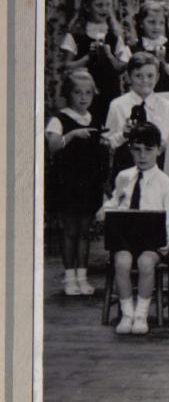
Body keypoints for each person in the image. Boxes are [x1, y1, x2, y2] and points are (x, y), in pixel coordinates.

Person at [98, 122, 169, 335]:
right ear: (130, 150)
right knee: (122, 261)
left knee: (146, 263)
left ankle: (141, 314)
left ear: (159, 150)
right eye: (137, 149)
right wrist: (104, 210)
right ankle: (127, 313)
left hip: (152, 241)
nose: (142, 155)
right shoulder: (124, 177)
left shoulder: (165, 183)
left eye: (148, 150)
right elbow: (115, 203)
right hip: (125, 237)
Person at [45, 70, 107, 296]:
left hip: (88, 184)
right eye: (77, 92)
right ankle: (69, 277)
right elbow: (52, 146)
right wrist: (72, 135)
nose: (83, 98)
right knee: (70, 230)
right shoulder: (59, 119)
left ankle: (82, 277)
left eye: (88, 93)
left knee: (84, 231)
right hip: (67, 184)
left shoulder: (94, 119)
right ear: (68, 94)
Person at [59, 0, 131, 127]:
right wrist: (87, 58)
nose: (105, 9)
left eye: (108, 5)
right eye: (99, 5)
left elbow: (121, 68)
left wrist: (109, 55)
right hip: (83, 94)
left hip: (110, 92)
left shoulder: (114, 35)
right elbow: (65, 66)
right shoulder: (76, 35)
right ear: (87, 7)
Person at [104, 52, 169, 175]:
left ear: (157, 77)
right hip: (125, 168)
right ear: (128, 77)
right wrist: (124, 135)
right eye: (138, 76)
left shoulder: (165, 106)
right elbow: (108, 144)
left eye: (150, 76)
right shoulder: (117, 105)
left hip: (157, 170)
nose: (144, 81)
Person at [130, 0, 169, 93]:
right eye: (152, 22)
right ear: (141, 23)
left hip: (167, 97)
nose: (157, 27)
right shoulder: (134, 48)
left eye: (161, 23)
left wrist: (164, 63)